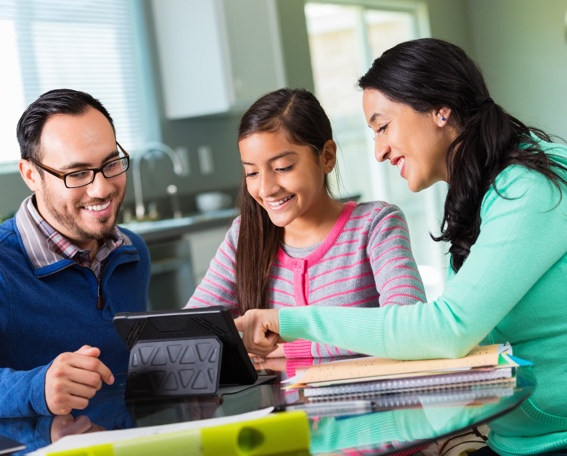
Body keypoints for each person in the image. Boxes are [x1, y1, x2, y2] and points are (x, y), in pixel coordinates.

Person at [235, 38, 567, 455]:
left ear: (440, 109)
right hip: (514, 438)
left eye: (383, 126)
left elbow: (447, 330)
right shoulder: (479, 192)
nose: (379, 151)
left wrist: (290, 322)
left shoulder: (530, 188)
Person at [186, 87, 426, 358]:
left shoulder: (375, 226)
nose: (266, 188)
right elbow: (190, 330)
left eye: (283, 168)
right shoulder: (243, 236)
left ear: (326, 157)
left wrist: (288, 349)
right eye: (251, 172)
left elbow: (409, 327)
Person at [0, 89, 150, 419]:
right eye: (77, 173)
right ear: (31, 175)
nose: (102, 188)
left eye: (110, 164)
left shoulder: (132, 252)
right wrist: (37, 386)